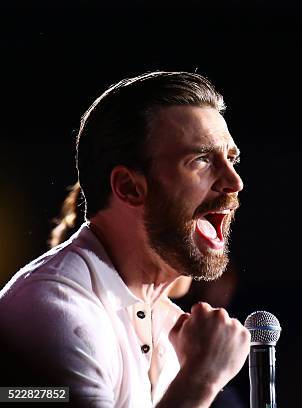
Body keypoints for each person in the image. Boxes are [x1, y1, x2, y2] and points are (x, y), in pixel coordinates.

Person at [0, 71, 250, 407]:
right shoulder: (54, 310)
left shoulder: (171, 325)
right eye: (201, 160)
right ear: (129, 188)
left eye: (231, 159)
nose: (234, 182)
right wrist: (201, 379)